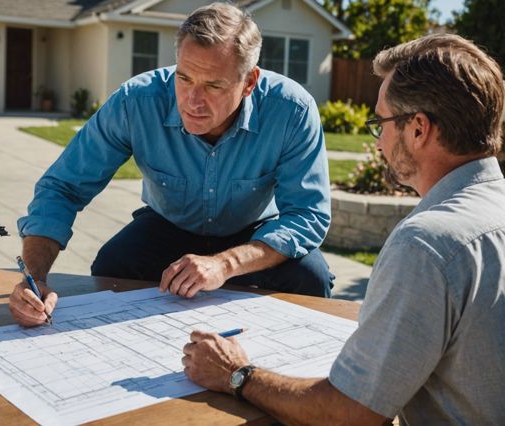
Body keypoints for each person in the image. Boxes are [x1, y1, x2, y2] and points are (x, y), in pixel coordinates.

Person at [182, 33, 505, 425]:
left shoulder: (428, 244)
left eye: (380, 123)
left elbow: (350, 415)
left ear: (419, 129)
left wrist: (236, 375)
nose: (379, 141)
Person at [9, 2, 333, 327]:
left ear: (249, 82)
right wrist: (34, 278)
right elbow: (63, 187)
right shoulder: (135, 103)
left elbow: (307, 215)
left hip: (254, 232)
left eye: (213, 86)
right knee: (113, 264)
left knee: (311, 277)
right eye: (184, 78)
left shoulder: (292, 110)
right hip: (168, 225)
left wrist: (225, 264)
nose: (192, 101)